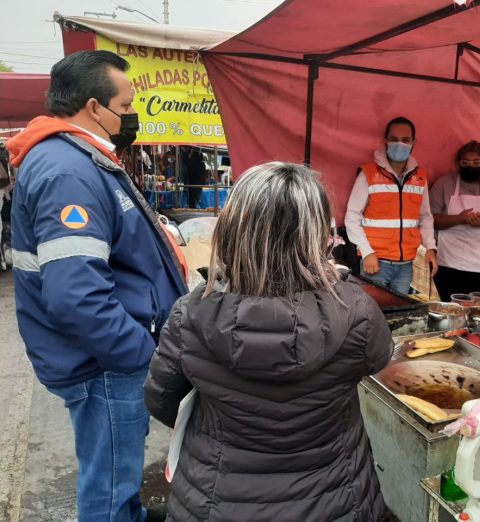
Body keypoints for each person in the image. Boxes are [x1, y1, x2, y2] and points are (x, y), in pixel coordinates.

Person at [145, 162, 393, 522]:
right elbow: (379, 358)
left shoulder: (191, 314)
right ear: (318, 234)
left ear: (232, 230)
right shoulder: (357, 311)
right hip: (337, 499)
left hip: (216, 501)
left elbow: (162, 401)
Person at [7, 50, 187, 522]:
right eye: (125, 107)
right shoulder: (68, 171)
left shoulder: (82, 158)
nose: (130, 117)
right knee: (108, 487)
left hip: (106, 355)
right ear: (93, 106)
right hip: (104, 363)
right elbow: (76, 296)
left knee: (117, 477)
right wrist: (139, 354)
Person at [345, 116, 437, 295]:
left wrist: (431, 247)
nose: (399, 144)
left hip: (406, 265)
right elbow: (352, 216)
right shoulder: (368, 173)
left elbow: (425, 217)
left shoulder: (420, 177)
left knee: (398, 315)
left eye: (405, 140)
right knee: (374, 314)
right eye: (394, 139)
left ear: (413, 143)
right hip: (376, 263)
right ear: (385, 141)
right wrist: (366, 252)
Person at [429, 141, 480, 301]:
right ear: (458, 163)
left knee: (476, 307)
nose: (470, 166)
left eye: (476, 163)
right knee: (451, 306)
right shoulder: (444, 183)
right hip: (449, 260)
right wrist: (460, 219)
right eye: (465, 162)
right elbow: (430, 219)